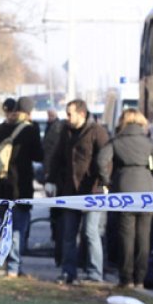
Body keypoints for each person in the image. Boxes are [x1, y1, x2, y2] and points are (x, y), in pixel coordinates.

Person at [98, 108, 153, 289]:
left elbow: (101, 160)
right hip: (147, 190)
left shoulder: (116, 141)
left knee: (126, 236)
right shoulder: (149, 143)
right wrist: (150, 175)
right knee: (144, 237)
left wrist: (108, 180)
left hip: (124, 188)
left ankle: (126, 278)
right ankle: (140, 278)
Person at [49, 99, 110, 284]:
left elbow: (106, 158)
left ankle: (94, 273)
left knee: (90, 232)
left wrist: (104, 183)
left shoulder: (97, 132)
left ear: (81, 114)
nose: (67, 117)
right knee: (68, 234)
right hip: (71, 191)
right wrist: (51, 179)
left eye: (70, 114)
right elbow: (57, 157)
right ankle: (68, 271)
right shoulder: (66, 132)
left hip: (92, 190)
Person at [0, 96, 43, 277]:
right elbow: (38, 155)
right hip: (20, 186)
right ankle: (13, 267)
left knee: (3, 225)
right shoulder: (30, 130)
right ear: (29, 112)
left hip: (2, 185)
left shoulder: (2, 128)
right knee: (18, 228)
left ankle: (0, 264)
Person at [41, 108, 66, 266]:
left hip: (57, 182)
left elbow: (46, 154)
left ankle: (60, 255)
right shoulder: (60, 131)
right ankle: (62, 256)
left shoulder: (54, 131)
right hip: (63, 184)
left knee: (58, 221)